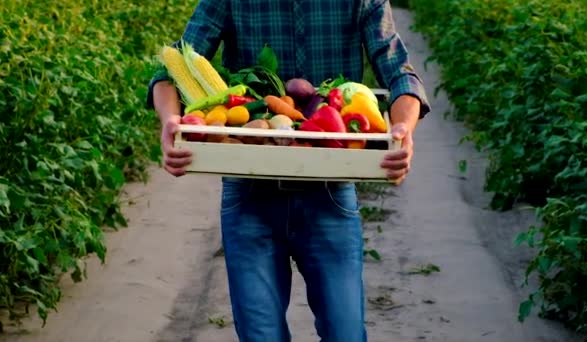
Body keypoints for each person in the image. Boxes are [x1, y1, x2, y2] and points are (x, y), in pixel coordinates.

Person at [147, 0, 431, 341]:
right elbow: (169, 72)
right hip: (251, 197)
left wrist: (402, 129)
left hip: (329, 194)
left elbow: (400, 74)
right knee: (260, 335)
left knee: (346, 333)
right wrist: (170, 121)